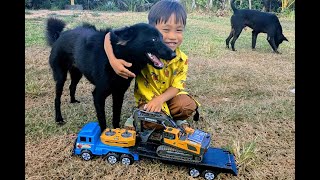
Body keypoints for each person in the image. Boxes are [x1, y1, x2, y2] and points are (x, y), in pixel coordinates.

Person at [104, 0, 200, 130]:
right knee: (153, 123)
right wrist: (113, 61)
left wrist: (160, 100)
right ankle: (138, 116)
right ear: (152, 30)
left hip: (170, 99)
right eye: (166, 30)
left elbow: (178, 86)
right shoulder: (143, 54)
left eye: (179, 30)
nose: (173, 36)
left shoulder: (182, 59)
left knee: (186, 106)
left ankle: (171, 118)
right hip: (148, 101)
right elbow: (109, 35)